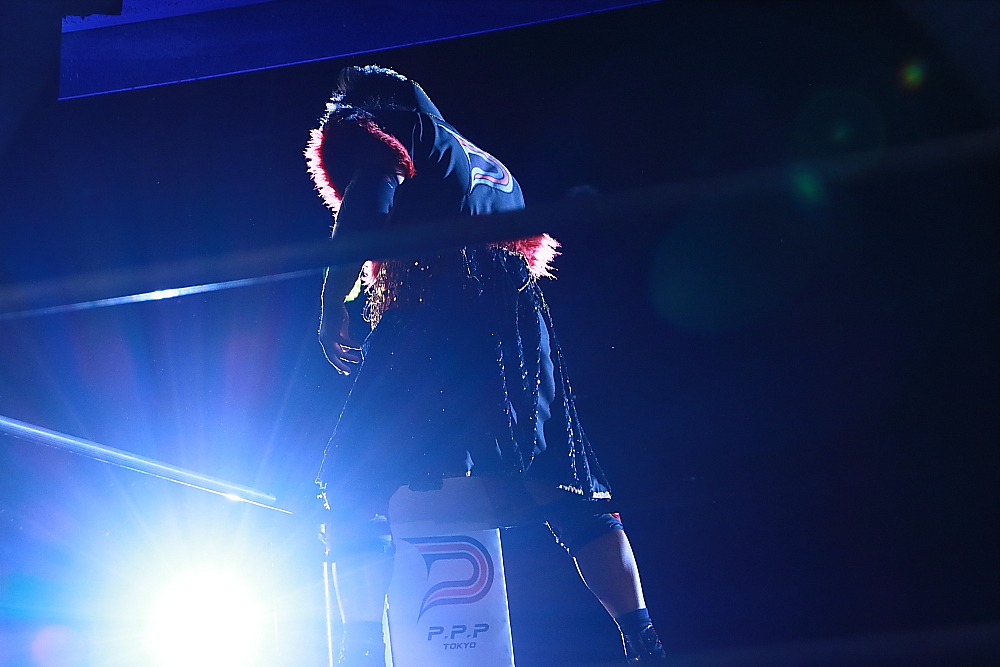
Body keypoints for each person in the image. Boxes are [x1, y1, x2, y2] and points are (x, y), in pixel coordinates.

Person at [305, 65, 665, 665]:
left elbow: (368, 202)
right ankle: (644, 642)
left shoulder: (378, 126)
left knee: (354, 476)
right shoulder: (486, 163)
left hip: (434, 297)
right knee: (563, 481)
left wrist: (333, 300)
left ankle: (359, 652)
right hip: (517, 314)